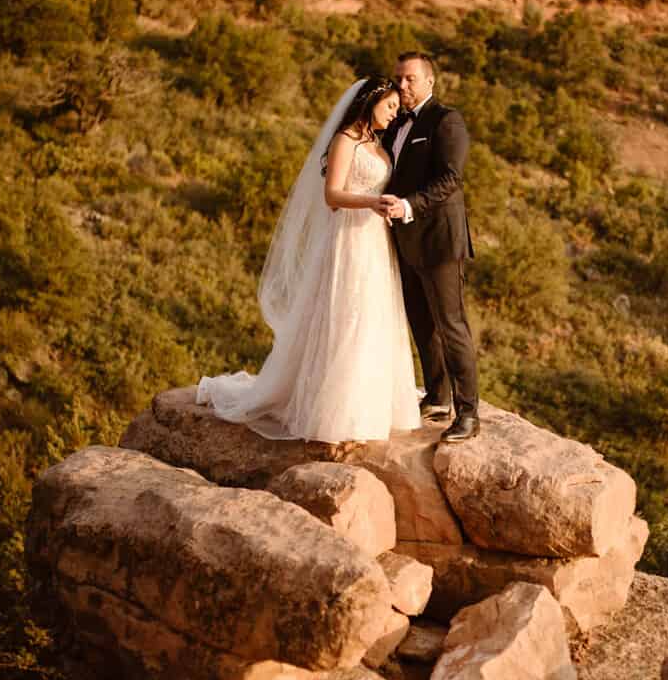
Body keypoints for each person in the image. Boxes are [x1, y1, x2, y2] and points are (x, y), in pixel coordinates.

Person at [197, 76, 421, 444]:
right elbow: (332, 195)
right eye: (390, 106)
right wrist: (370, 202)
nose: (395, 113)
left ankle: (369, 403)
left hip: (374, 240)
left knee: (370, 315)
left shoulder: (377, 144)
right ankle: (334, 408)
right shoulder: (345, 140)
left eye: (397, 108)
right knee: (345, 314)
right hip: (348, 236)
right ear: (370, 102)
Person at [380, 51, 479, 443]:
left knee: (451, 326)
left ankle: (469, 413)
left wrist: (407, 205)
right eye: (398, 79)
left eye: (410, 79)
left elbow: (451, 178)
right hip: (404, 240)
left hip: (439, 239)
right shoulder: (394, 123)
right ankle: (438, 397)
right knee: (421, 323)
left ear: (429, 82)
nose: (402, 86)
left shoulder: (445, 120)